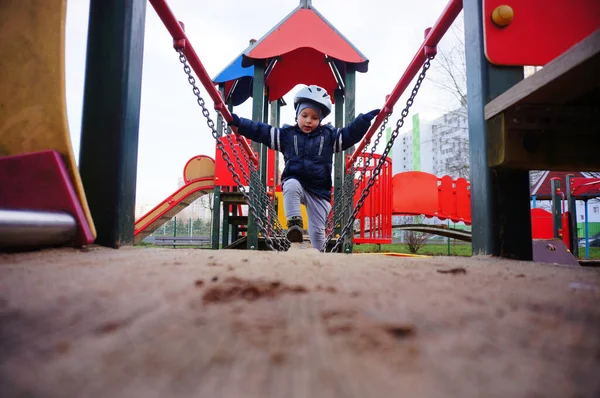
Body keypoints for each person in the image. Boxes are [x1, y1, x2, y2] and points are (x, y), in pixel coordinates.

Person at [228, 85, 379, 250]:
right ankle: (294, 225)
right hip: (297, 181)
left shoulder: (329, 136)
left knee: (317, 231)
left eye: (314, 118)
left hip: (319, 191)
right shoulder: (286, 135)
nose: (308, 121)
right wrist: (239, 123)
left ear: (320, 120)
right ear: (297, 115)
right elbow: (261, 131)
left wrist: (363, 121)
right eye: (304, 115)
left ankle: (319, 255)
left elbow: (348, 135)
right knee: (291, 184)